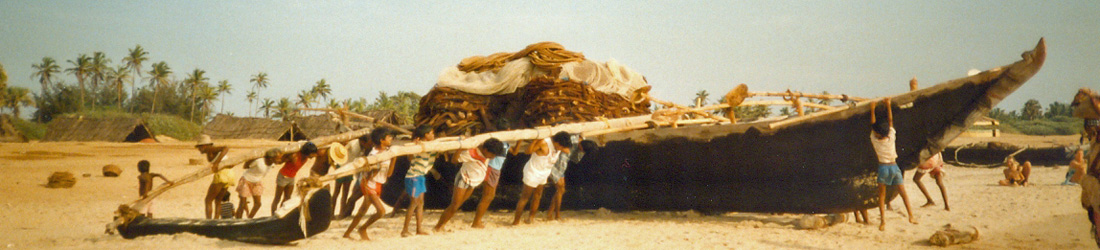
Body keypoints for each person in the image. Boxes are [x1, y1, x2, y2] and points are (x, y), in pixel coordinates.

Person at [433, 138, 505, 232]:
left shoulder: (484, 151)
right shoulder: (472, 153)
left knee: (458, 205)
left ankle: (441, 225)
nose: (492, 157)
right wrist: (460, 148)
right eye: (492, 155)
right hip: (463, 178)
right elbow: (454, 160)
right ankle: (438, 227)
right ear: (486, 150)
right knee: (454, 205)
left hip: (473, 181)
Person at [870, 98, 916, 231]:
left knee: (882, 196)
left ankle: (883, 222)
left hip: (883, 167)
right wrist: (888, 105)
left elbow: (873, 124)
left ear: (877, 132)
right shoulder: (891, 137)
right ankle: (911, 216)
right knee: (903, 193)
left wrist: (872, 108)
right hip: (894, 167)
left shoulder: (875, 140)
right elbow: (890, 121)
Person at [344, 128, 398, 241]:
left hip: (378, 183)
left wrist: (394, 160)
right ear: (381, 140)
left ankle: (347, 233)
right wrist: (375, 170)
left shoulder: (388, 152)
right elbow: (369, 173)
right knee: (381, 211)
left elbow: (389, 174)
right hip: (369, 183)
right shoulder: (373, 154)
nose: (391, 139)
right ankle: (362, 229)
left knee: (363, 210)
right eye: (388, 137)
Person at [512, 132, 572, 225]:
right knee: (525, 197)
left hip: (544, 172)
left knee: (538, 195)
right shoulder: (543, 143)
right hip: (533, 171)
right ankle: (516, 221)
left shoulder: (559, 145)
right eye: (560, 146)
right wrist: (535, 141)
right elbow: (527, 151)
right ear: (557, 142)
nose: (561, 149)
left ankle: (531, 218)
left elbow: (567, 150)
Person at [402, 125, 438, 236]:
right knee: (414, 203)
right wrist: (414, 146)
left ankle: (419, 229)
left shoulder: (431, 146)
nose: (433, 135)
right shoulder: (416, 146)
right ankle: (404, 230)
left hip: (421, 176)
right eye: (431, 133)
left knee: (420, 203)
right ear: (425, 135)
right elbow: (409, 158)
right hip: (414, 176)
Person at [272, 142, 319, 215]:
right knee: (277, 198)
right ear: (308, 152)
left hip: (292, 177)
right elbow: (280, 161)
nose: (314, 155)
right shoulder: (294, 155)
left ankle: (280, 214)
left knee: (287, 198)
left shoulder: (305, 157)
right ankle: (273, 216)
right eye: (313, 154)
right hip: (283, 176)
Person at [471, 140, 510, 228]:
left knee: (489, 196)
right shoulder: (498, 143)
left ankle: (477, 221)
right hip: (492, 168)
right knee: (488, 196)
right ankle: (476, 222)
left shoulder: (506, 144)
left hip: (495, 169)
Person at [236, 149, 283, 218]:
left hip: (256, 182)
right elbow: (245, 166)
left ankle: (249, 219)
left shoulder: (272, 164)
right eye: (278, 158)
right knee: (242, 204)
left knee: (258, 204)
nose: (279, 160)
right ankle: (238, 221)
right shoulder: (259, 162)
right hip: (246, 180)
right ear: (271, 158)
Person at [196, 135, 232, 219]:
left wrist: (216, 163)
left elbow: (226, 148)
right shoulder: (210, 150)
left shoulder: (210, 149)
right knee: (218, 200)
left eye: (199, 147)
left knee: (208, 200)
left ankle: (209, 222)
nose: (199, 150)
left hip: (222, 174)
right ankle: (216, 221)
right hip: (229, 174)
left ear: (204, 146)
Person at [547, 134, 580, 221]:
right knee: (560, 189)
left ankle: (551, 214)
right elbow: (566, 150)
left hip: (561, 167)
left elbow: (570, 153)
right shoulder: (572, 140)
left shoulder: (575, 141)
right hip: (554, 165)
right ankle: (556, 215)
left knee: (561, 190)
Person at [339, 135, 372, 218]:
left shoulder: (371, 150)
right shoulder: (363, 148)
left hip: (365, 178)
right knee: (351, 198)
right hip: (360, 176)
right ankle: (345, 215)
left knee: (352, 199)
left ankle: (344, 215)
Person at [333, 136, 366, 217]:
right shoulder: (353, 143)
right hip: (341, 166)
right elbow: (342, 151)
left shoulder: (363, 147)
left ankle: (342, 213)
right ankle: (331, 213)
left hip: (350, 169)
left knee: (345, 193)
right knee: (336, 192)